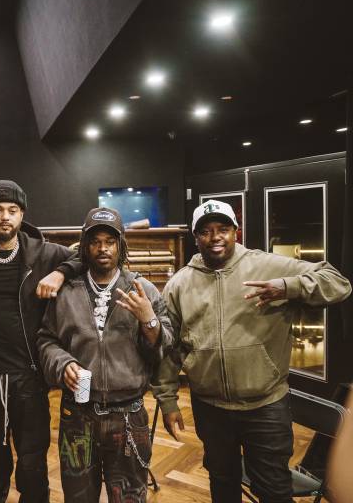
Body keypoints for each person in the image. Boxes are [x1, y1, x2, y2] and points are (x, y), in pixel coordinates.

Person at [153, 199, 352, 503]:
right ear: (196, 238)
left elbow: (338, 283)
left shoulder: (267, 265)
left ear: (236, 231)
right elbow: (169, 347)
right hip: (210, 407)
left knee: (273, 489)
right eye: (205, 231)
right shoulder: (180, 284)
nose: (215, 237)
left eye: (222, 229)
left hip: (266, 406)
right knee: (222, 482)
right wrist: (167, 401)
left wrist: (286, 287)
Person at [0, 179, 78, 503]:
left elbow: (83, 258)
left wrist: (60, 273)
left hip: (29, 375)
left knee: (33, 461)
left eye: (13, 210)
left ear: (22, 215)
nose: (5, 217)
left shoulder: (45, 254)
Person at [38, 206, 173, 502]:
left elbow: (166, 345)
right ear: (85, 246)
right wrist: (63, 365)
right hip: (77, 417)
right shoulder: (67, 290)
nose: (102, 248)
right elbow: (46, 340)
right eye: (95, 241)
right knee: (77, 496)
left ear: (121, 244)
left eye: (110, 242)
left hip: (128, 416)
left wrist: (148, 320)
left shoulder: (143, 289)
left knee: (129, 497)